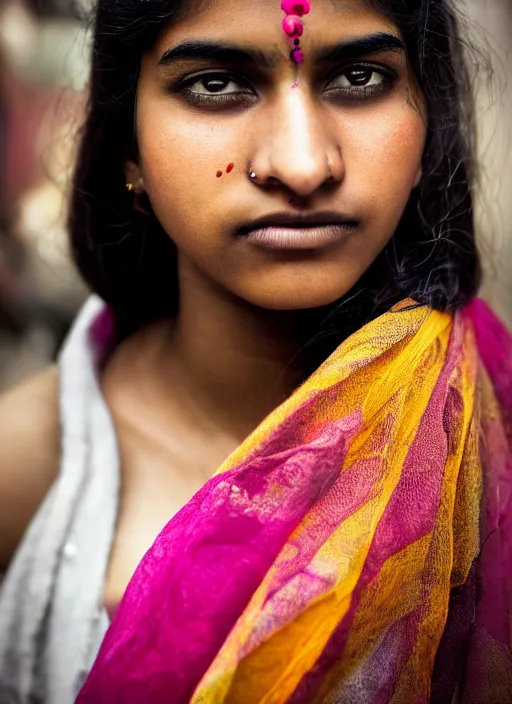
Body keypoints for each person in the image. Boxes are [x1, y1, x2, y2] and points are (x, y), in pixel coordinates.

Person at [0, 0, 511, 701]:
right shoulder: (25, 465)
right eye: (216, 84)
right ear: (127, 146)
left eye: (360, 77)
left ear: (431, 130)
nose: (303, 166)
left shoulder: (491, 420)